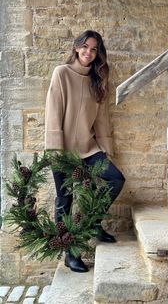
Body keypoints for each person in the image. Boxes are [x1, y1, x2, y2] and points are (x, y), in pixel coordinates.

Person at [45, 30, 125, 273]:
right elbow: (53, 110)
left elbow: (101, 118)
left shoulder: (97, 79)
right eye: (85, 47)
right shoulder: (61, 73)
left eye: (94, 49)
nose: (88, 53)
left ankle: (93, 223)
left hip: (89, 150)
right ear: (76, 46)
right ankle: (71, 254)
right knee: (65, 202)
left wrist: (105, 146)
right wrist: (55, 149)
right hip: (64, 152)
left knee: (116, 178)